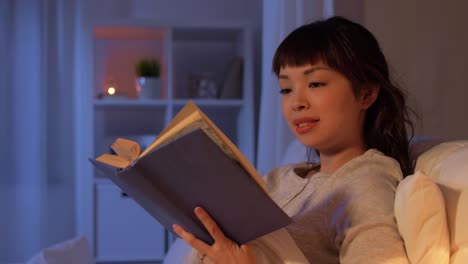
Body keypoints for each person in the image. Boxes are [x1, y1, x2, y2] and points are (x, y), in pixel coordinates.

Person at [173, 16, 414, 263]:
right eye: (286, 89)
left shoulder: (365, 183)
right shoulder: (276, 179)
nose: (296, 102)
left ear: (366, 93)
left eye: (316, 83)